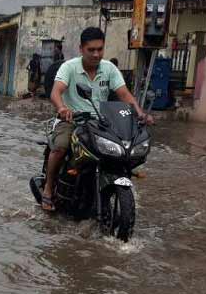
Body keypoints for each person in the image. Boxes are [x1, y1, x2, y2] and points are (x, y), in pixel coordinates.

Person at [41, 27, 154, 212]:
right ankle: (48, 187)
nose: (96, 54)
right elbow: (56, 91)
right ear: (81, 49)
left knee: (123, 151)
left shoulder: (109, 68)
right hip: (72, 120)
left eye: (100, 49)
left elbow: (124, 95)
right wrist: (62, 108)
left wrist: (140, 114)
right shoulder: (69, 67)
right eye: (91, 50)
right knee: (61, 146)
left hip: (101, 123)